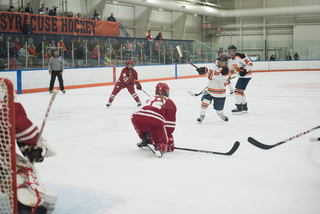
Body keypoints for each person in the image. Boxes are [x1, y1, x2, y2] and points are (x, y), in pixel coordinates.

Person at [0, 92, 57, 213]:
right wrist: (37, 150)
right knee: (23, 169)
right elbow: (30, 136)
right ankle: (24, 207)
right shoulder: (8, 111)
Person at [131, 82, 177, 158]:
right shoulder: (169, 102)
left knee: (145, 121)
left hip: (136, 118)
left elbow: (146, 118)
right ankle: (158, 147)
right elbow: (170, 125)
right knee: (165, 144)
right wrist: (168, 142)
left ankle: (144, 139)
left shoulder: (150, 98)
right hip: (154, 121)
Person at [195, 54, 230, 123]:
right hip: (209, 90)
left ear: (226, 63)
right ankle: (201, 116)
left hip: (220, 94)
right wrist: (202, 70)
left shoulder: (226, 71)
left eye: (223, 61)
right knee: (205, 102)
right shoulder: (216, 64)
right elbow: (214, 67)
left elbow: (215, 76)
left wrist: (206, 70)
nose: (221, 63)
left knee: (218, 111)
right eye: (220, 61)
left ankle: (221, 115)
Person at [228, 45, 253, 114]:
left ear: (235, 51)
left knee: (237, 91)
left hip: (246, 75)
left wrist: (244, 69)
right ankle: (244, 107)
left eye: (232, 51)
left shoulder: (241, 56)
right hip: (241, 77)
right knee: (241, 91)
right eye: (230, 51)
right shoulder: (230, 59)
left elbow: (250, 64)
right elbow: (231, 70)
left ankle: (239, 108)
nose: (231, 53)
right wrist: (228, 77)